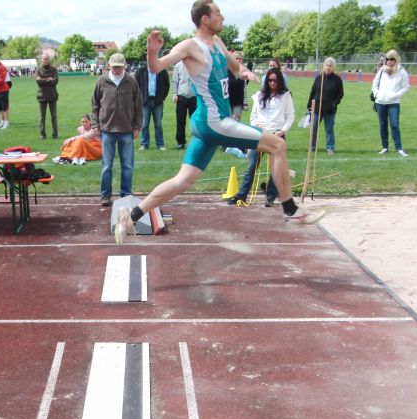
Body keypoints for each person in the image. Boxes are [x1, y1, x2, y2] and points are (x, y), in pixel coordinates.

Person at [112, 0, 325, 245]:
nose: (222, 17)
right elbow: (156, 67)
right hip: (213, 122)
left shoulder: (217, 42)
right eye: (218, 13)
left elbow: (235, 66)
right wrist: (152, 51)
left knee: (183, 180)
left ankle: (131, 215)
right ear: (205, 19)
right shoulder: (190, 46)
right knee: (278, 145)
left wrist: (245, 72)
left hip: (208, 124)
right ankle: (290, 209)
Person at [228, 67, 294, 207]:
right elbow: (253, 116)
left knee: (275, 169)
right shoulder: (259, 95)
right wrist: (257, 127)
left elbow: (290, 116)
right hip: (260, 135)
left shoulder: (286, 96)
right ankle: (242, 195)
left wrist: (282, 131)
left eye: (275, 80)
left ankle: (270, 197)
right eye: (269, 80)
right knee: (251, 166)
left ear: (280, 81)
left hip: (277, 135)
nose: (272, 83)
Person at [91, 52, 143, 207]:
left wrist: (137, 126)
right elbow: (95, 105)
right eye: (114, 67)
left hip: (127, 130)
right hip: (107, 130)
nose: (116, 70)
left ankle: (126, 194)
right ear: (109, 66)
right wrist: (95, 124)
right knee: (106, 166)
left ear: (125, 66)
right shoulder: (102, 81)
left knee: (127, 165)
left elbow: (139, 105)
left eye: (119, 67)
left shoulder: (131, 81)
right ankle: (105, 195)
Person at [372, 49, 410, 157]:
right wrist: (376, 94)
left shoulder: (402, 72)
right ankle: (385, 147)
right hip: (380, 102)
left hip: (393, 103)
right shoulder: (381, 71)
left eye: (391, 59)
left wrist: (395, 95)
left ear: (396, 59)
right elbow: (374, 84)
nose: (389, 61)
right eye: (387, 59)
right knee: (383, 125)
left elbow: (406, 87)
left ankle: (399, 148)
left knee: (394, 125)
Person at [306, 57, 344, 154]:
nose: (328, 67)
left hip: (330, 109)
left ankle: (330, 147)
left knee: (329, 129)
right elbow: (313, 91)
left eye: (330, 66)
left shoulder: (337, 79)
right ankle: (312, 146)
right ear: (323, 66)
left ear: (333, 67)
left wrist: (334, 103)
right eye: (326, 65)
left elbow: (340, 94)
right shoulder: (319, 78)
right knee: (314, 128)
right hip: (316, 108)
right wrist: (309, 105)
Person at [135, 61, 170, 150]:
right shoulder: (141, 71)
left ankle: (160, 144)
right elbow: (136, 85)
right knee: (144, 124)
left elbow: (167, 85)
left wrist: (162, 97)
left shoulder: (162, 71)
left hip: (158, 101)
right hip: (145, 102)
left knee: (158, 124)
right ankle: (144, 144)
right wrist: (140, 97)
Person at [172, 60, 197, 149]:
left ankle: (196, 141)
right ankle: (180, 142)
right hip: (181, 97)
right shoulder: (178, 66)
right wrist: (174, 94)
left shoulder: (196, 64)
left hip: (194, 97)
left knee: (195, 121)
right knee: (180, 121)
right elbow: (175, 81)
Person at [35, 53, 59, 139]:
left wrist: (42, 80)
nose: (46, 60)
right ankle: (42, 134)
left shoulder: (54, 69)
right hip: (42, 96)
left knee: (54, 116)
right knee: (42, 117)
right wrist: (49, 79)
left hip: (52, 95)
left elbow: (55, 81)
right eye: (44, 59)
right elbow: (38, 81)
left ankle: (55, 134)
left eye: (47, 59)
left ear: (49, 60)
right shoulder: (38, 70)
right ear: (41, 60)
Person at [227, 50, 248, 120]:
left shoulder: (244, 73)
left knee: (236, 122)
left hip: (238, 104)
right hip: (228, 103)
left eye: (240, 59)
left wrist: (244, 104)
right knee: (227, 123)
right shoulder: (226, 71)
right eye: (236, 58)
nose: (238, 60)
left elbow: (244, 89)